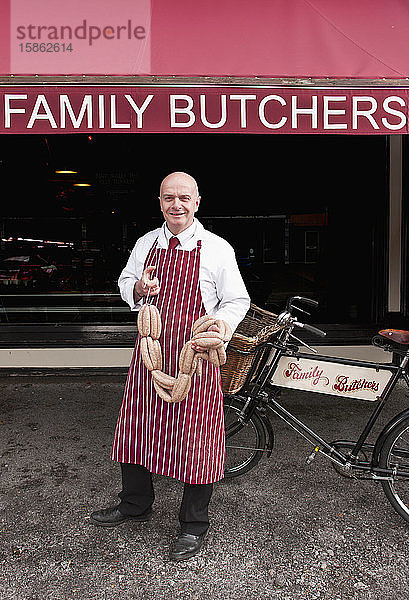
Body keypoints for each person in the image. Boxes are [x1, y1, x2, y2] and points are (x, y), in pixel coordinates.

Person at [90, 171, 250, 560]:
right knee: (135, 429)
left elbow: (236, 300)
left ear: (197, 202)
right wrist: (139, 289)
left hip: (195, 358)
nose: (176, 205)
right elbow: (125, 280)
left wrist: (220, 329)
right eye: (168, 198)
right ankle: (135, 505)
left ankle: (193, 525)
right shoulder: (148, 242)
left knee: (198, 439)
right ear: (159, 202)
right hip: (150, 353)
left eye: (183, 197)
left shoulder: (215, 248)